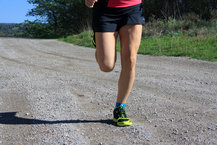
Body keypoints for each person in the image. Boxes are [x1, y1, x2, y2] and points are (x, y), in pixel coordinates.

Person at [85, 0, 145, 126]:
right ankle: (99, 40)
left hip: (133, 7)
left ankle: (120, 108)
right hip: (105, 9)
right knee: (106, 65)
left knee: (130, 59)